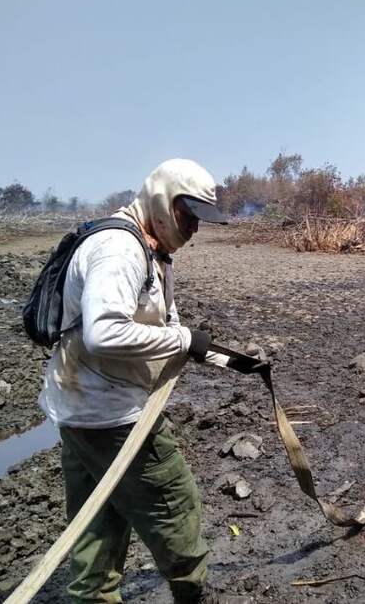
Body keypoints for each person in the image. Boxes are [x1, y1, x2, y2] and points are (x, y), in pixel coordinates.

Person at [37, 159, 247, 603]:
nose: (192, 228)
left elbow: (160, 324)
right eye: (187, 216)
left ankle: (93, 595)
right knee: (176, 506)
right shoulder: (120, 249)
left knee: (99, 522)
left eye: (198, 220)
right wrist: (184, 338)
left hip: (82, 411)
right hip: (112, 415)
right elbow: (104, 332)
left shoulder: (148, 245)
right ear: (161, 199)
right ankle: (192, 592)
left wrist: (210, 352)